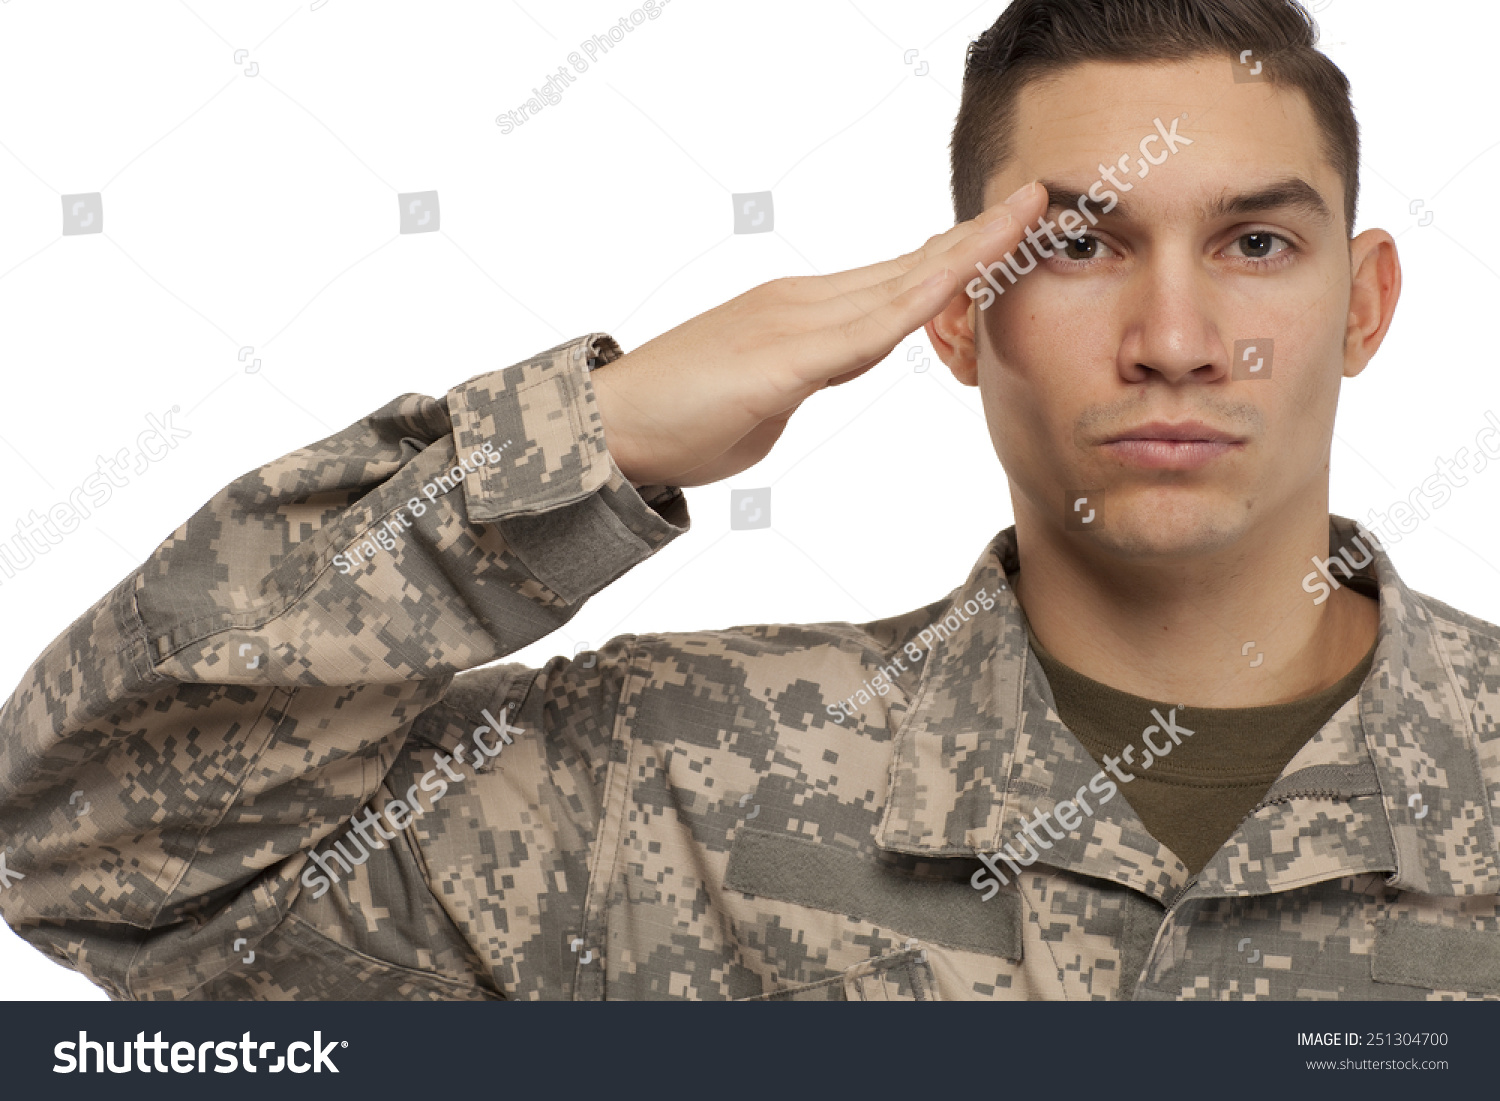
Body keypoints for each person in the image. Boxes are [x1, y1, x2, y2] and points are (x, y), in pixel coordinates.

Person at [2, 0, 1497, 1001]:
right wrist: (587, 437)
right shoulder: (668, 779)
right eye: (1079, 248)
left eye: (1254, 246)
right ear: (960, 312)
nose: (1172, 340)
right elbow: (87, 846)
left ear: (1363, 305)